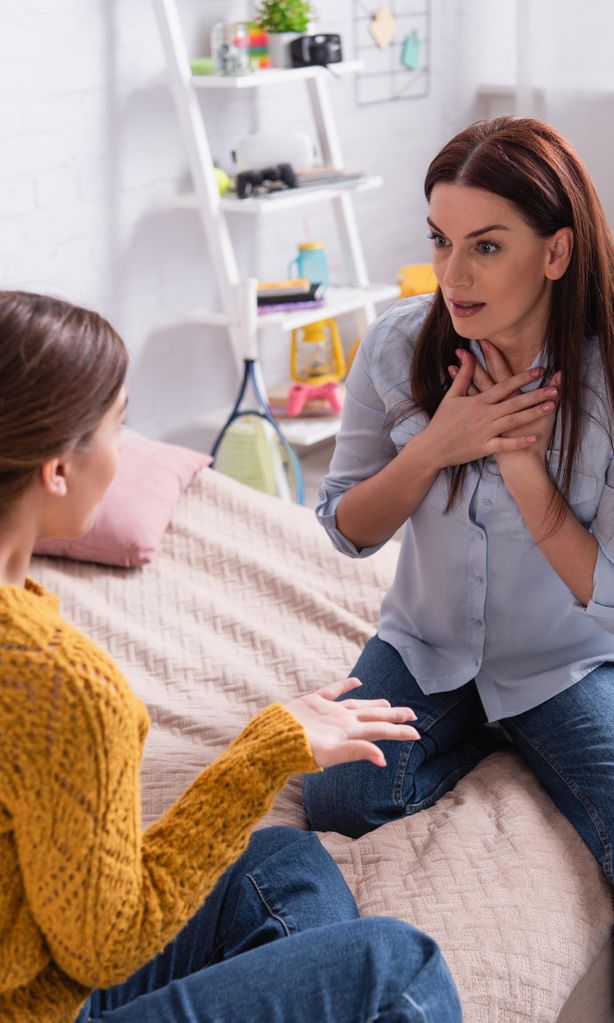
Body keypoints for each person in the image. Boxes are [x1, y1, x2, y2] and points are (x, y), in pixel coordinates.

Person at [0, 290, 463, 1023]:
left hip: (31, 969)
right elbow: (106, 945)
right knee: (398, 969)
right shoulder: (62, 684)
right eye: (121, 427)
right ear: (57, 469)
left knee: (281, 863)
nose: (126, 453)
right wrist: (262, 754)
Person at [303, 116, 614, 893]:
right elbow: (346, 529)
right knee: (339, 796)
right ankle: (483, 731)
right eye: (441, 239)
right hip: (425, 648)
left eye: (486, 244)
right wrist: (434, 447)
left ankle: (519, 725)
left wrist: (523, 471)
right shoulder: (393, 346)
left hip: (564, 662)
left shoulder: (605, 380)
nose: (453, 272)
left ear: (556, 251)